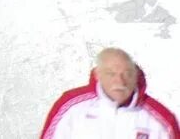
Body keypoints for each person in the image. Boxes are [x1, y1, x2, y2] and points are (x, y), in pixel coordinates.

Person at [39, 47, 180, 138]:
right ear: (98, 75)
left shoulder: (160, 119)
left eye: (127, 74)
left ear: (136, 76)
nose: (120, 81)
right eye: (111, 74)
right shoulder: (71, 107)